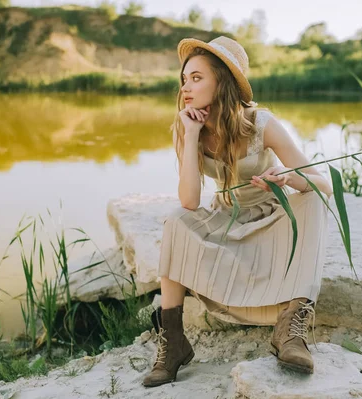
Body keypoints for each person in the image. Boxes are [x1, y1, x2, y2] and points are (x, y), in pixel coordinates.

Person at [142, 36, 334, 388]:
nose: (186, 87)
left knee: (312, 201)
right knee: (175, 220)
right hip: (227, 218)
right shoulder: (189, 127)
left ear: (222, 82)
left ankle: (290, 331)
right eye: (185, 79)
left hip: (273, 217)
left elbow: (323, 183)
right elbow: (188, 201)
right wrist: (190, 133)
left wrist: (287, 179)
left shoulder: (262, 124)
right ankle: (173, 343)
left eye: (197, 78)